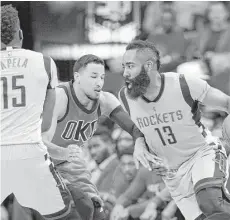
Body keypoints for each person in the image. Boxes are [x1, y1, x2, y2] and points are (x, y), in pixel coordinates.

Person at [118, 40, 230, 220]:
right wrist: (139, 143)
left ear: (148, 66)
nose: (125, 72)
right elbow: (137, 129)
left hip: (201, 153)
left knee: (210, 202)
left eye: (130, 66)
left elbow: (227, 103)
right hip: (172, 171)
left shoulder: (182, 85)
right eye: (124, 66)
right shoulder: (126, 97)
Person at [42, 54, 161, 218]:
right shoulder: (59, 98)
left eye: (102, 77)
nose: (99, 82)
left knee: (95, 209)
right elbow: (40, 142)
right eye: (93, 76)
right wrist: (65, 153)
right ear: (77, 77)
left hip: (71, 162)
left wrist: (140, 142)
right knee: (72, 207)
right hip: (43, 161)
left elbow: (134, 128)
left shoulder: (105, 100)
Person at [0, 4, 74, 219]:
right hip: (30, 152)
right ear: (21, 34)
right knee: (63, 212)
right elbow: (45, 124)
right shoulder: (44, 62)